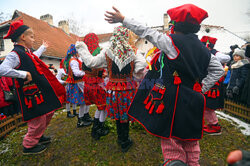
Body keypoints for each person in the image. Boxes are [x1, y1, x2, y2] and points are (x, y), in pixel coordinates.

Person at [104, 4, 224, 166]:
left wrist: (123, 19)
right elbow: (218, 71)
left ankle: (174, 162)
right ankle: (193, 163)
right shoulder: (204, 50)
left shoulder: (171, 42)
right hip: (195, 99)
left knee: (171, 139)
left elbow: (146, 31)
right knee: (191, 138)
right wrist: (201, 88)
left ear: (176, 25)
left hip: (173, 99)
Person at [76, 26, 147, 152]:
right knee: (125, 114)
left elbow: (91, 62)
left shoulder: (107, 51)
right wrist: (133, 74)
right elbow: (141, 65)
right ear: (126, 37)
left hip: (113, 90)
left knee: (119, 114)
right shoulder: (133, 50)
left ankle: (121, 138)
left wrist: (81, 47)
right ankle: (124, 140)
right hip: (127, 89)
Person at [0, 20, 66, 154]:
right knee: (37, 118)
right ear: (23, 37)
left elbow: (32, 58)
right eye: (31, 37)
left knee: (48, 111)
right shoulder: (14, 54)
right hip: (30, 94)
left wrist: (43, 48)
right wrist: (23, 74)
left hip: (38, 91)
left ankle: (38, 136)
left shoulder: (26, 52)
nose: (33, 39)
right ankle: (29, 145)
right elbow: (2, 69)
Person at [200, 36, 231, 135]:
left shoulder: (215, 54)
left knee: (208, 107)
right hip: (208, 82)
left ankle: (214, 125)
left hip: (213, 85)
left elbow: (227, 58)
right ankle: (212, 124)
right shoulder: (203, 53)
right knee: (205, 106)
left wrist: (215, 54)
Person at [82, 33, 109, 140]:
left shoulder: (84, 54)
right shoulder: (99, 53)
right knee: (103, 107)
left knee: (99, 107)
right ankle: (99, 129)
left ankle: (95, 128)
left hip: (88, 84)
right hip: (98, 84)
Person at [64, 44, 93, 128]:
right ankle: (80, 121)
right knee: (83, 102)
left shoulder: (76, 59)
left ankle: (84, 117)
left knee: (84, 102)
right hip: (77, 84)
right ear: (75, 52)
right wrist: (86, 73)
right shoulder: (73, 61)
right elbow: (76, 73)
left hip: (80, 83)